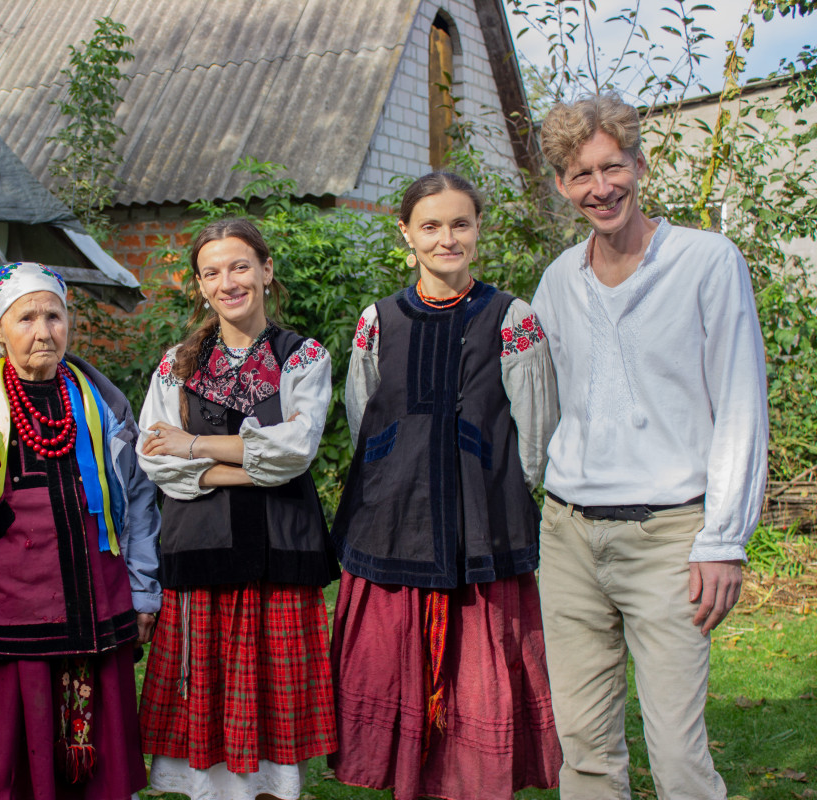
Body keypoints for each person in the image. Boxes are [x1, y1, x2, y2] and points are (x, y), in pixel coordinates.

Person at [532, 93, 769, 799]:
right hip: (568, 534)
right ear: (561, 185)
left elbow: (739, 406)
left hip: (669, 536)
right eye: (581, 175)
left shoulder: (706, 261)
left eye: (613, 167)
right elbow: (540, 405)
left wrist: (723, 539)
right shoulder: (557, 282)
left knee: (677, 753)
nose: (600, 188)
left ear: (639, 164)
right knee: (584, 747)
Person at [329, 172, 562, 800]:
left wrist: (504, 500)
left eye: (460, 223)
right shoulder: (378, 320)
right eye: (430, 225)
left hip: (480, 525)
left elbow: (538, 438)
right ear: (406, 233)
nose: (446, 238)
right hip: (395, 523)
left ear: (478, 230)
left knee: (477, 675)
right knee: (395, 671)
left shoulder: (510, 318)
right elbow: (364, 420)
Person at [0, 261, 161, 799]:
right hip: (4, 618)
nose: (43, 329)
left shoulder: (101, 400)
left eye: (54, 314)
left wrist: (144, 589)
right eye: (25, 316)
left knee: (94, 771)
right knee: (6, 771)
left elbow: (140, 500)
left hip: (97, 609)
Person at [137, 218, 339, 799]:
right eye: (213, 271)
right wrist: (252, 467)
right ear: (200, 285)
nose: (228, 281)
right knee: (208, 695)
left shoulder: (302, 356)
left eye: (240, 265)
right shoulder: (178, 363)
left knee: (271, 710)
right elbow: (156, 460)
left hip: (279, 552)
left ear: (266, 271)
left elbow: (294, 453)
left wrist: (195, 447)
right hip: (202, 551)